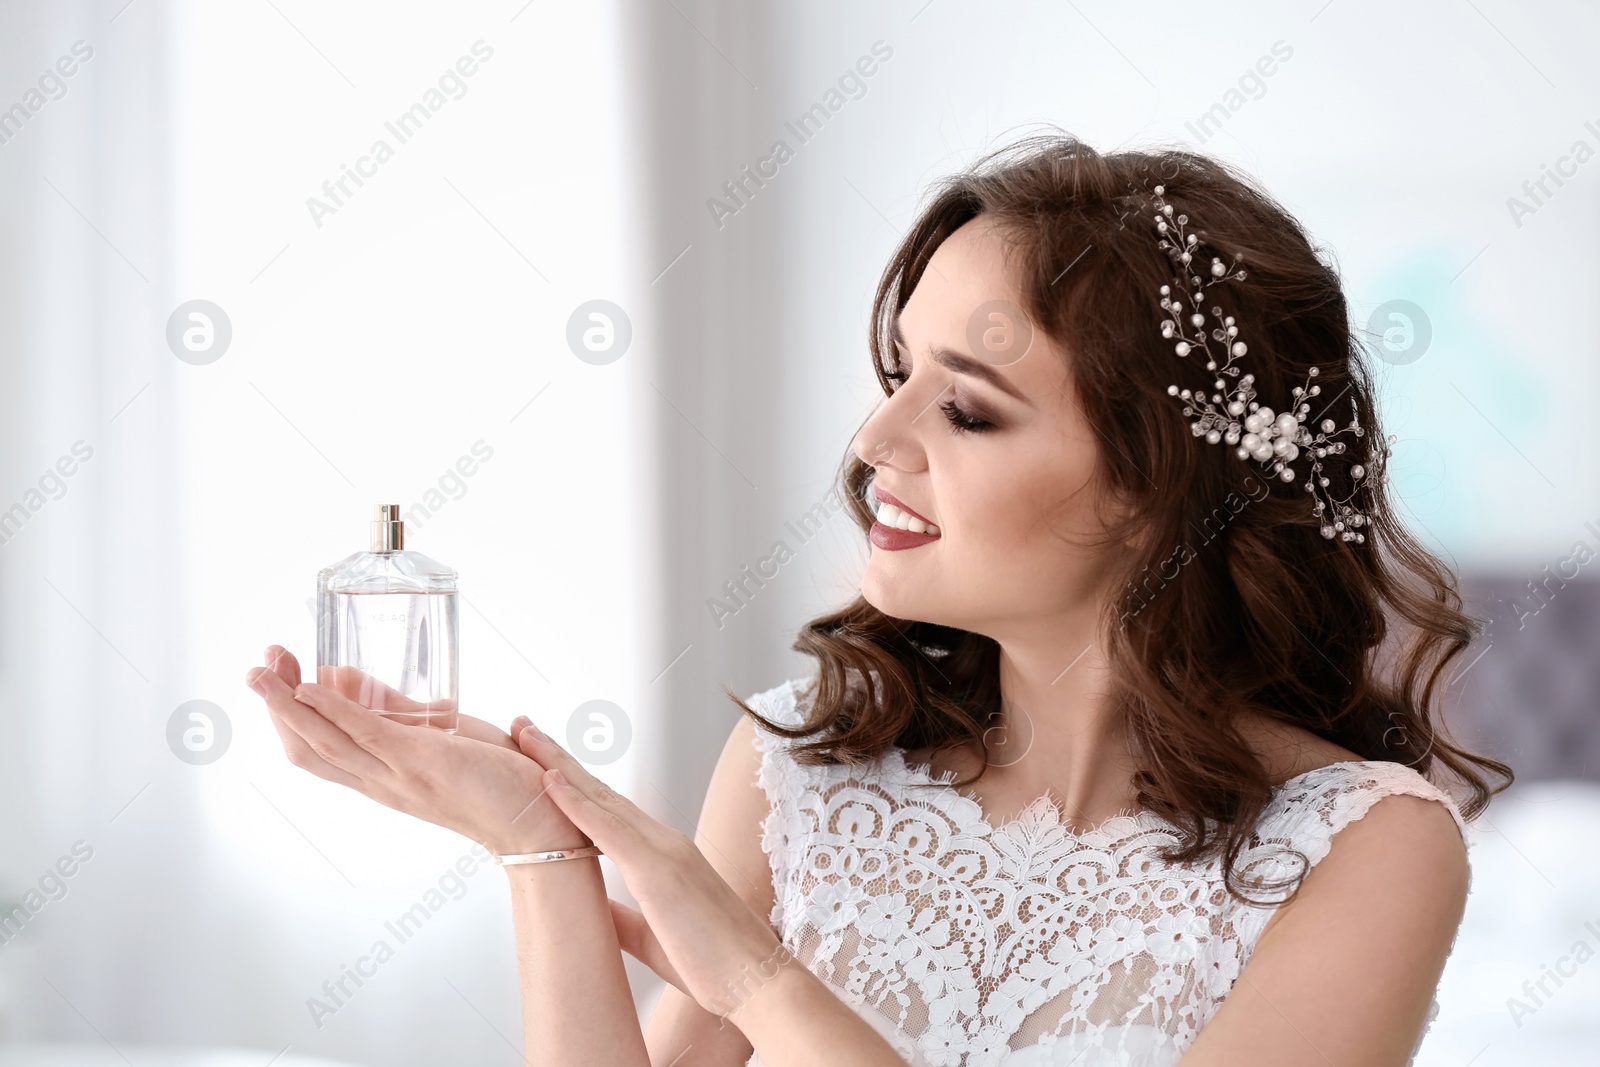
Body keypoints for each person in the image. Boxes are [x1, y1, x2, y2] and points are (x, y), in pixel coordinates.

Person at [244, 134, 1511, 1067]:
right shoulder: (812, 763)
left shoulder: (1364, 846)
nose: (873, 439)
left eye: (964, 408)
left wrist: (753, 974)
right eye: (898, 373)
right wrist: (536, 844)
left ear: (1155, 488)